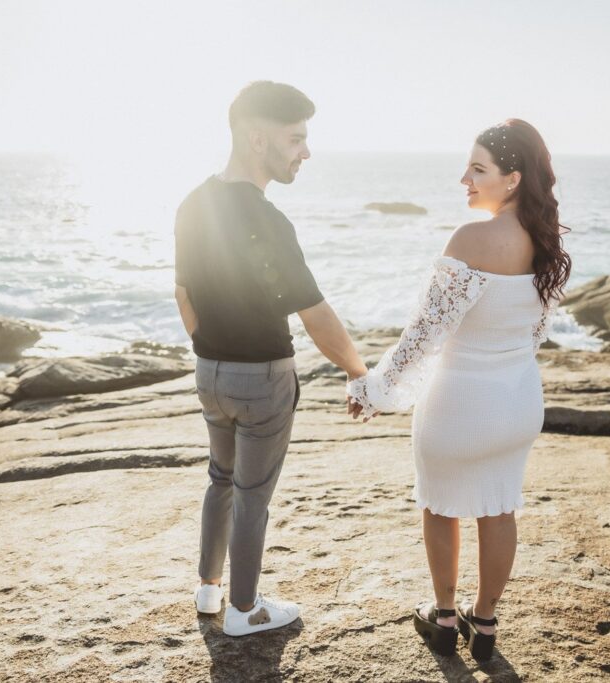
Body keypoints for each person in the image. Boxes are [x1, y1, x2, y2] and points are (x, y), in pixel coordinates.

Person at [347, 119, 571, 661]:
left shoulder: (471, 239)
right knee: (499, 508)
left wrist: (375, 390)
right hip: (517, 401)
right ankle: (486, 624)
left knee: (441, 507)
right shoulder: (546, 244)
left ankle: (445, 619)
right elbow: (534, 333)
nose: (463, 179)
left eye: (477, 169)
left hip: (458, 402)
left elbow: (423, 335)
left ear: (512, 178)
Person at [174, 81, 368, 637]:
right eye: (295, 139)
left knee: (221, 480)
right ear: (258, 139)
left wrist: (212, 355)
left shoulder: (193, 202)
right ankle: (244, 610)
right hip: (262, 380)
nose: (305, 152)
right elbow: (315, 314)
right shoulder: (269, 220)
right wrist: (359, 374)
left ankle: (209, 592)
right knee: (252, 497)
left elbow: (183, 293)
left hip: (209, 374)